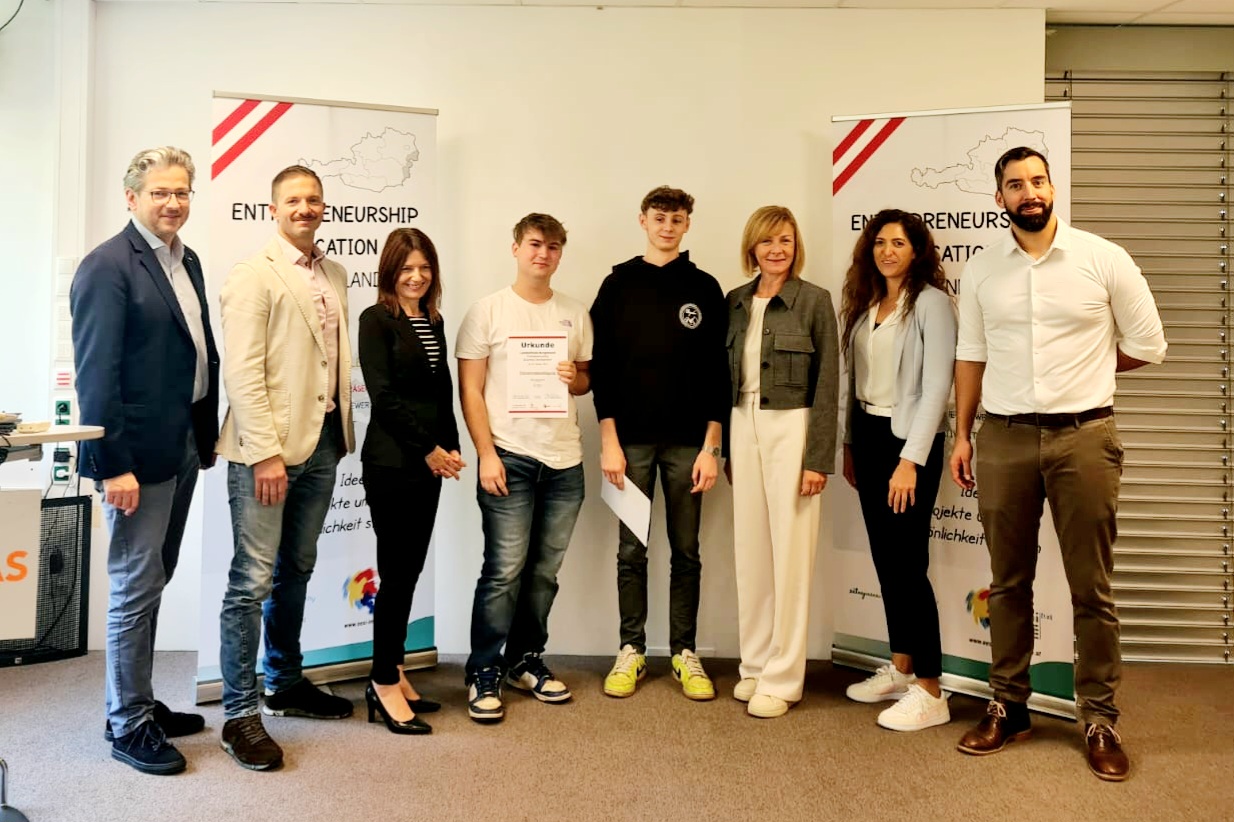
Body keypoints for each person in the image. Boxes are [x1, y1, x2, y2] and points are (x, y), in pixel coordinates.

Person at [949, 147, 1166, 781]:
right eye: (1016, 184)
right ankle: (1009, 705)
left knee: (1090, 587)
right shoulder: (983, 269)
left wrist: (1089, 367)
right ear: (1000, 199)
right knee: (1007, 583)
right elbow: (971, 355)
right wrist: (962, 435)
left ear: (1052, 187)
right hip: (1004, 437)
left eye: (1038, 180)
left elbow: (1148, 344)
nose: (1030, 192)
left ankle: (1099, 717)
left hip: (1085, 438)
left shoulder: (1103, 258)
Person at [71, 146, 219, 775]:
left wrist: (203, 437)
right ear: (131, 197)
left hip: (180, 443)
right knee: (135, 584)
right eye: (160, 192)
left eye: (182, 192)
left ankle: (138, 700)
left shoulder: (188, 260)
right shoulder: (107, 266)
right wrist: (112, 465)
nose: (173, 202)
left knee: (155, 576)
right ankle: (127, 723)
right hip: (134, 456)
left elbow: (193, 351)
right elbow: (95, 375)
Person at [215, 165, 357, 770]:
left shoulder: (335, 274)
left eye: (314, 200)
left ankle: (285, 682)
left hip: (323, 443)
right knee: (251, 581)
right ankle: (239, 715)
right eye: (293, 200)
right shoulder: (253, 274)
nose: (305, 208)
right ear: (273, 209)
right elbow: (242, 371)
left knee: (296, 568)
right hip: (266, 452)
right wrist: (264, 451)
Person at [589, 186, 728, 701]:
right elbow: (602, 368)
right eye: (659, 217)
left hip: (689, 446)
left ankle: (684, 653)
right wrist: (608, 440)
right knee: (632, 551)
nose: (667, 226)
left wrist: (712, 446)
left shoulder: (705, 287)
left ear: (687, 224)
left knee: (686, 551)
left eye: (677, 218)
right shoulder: (618, 285)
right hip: (630, 446)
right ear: (643, 221)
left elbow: (719, 372)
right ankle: (631, 649)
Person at [455, 213, 593, 723]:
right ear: (515, 248)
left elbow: (585, 382)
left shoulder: (575, 313)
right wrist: (486, 454)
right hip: (508, 457)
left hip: (565, 461)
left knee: (544, 573)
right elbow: (470, 390)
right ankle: (483, 669)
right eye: (535, 244)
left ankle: (524, 659)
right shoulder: (487, 311)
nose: (543, 254)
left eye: (553, 247)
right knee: (503, 572)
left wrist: (574, 378)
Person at [838, 209, 956, 731]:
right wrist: (848, 444)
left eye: (899, 243)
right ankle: (902, 666)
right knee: (886, 560)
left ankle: (931, 689)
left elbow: (938, 387)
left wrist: (910, 460)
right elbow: (855, 379)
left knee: (908, 563)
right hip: (867, 436)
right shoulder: (867, 303)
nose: (888, 251)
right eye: (881, 242)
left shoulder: (931, 303)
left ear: (917, 250)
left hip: (907, 441)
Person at [725, 205, 838, 719]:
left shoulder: (814, 301)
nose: (777, 250)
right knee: (750, 550)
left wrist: (817, 459)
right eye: (768, 241)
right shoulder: (735, 301)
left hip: (792, 425)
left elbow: (828, 384)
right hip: (741, 420)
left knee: (791, 554)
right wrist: (726, 449)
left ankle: (784, 677)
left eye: (786, 241)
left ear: (796, 247)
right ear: (752, 247)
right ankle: (755, 665)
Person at [358, 228, 464, 735]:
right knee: (396, 574)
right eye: (406, 269)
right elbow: (383, 396)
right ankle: (381, 681)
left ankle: (395, 668)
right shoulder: (375, 319)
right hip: (393, 462)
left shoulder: (433, 319)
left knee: (410, 571)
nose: (416, 277)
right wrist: (429, 448)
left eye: (424, 268)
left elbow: (442, 391)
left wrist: (452, 445)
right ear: (390, 272)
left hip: (429, 462)